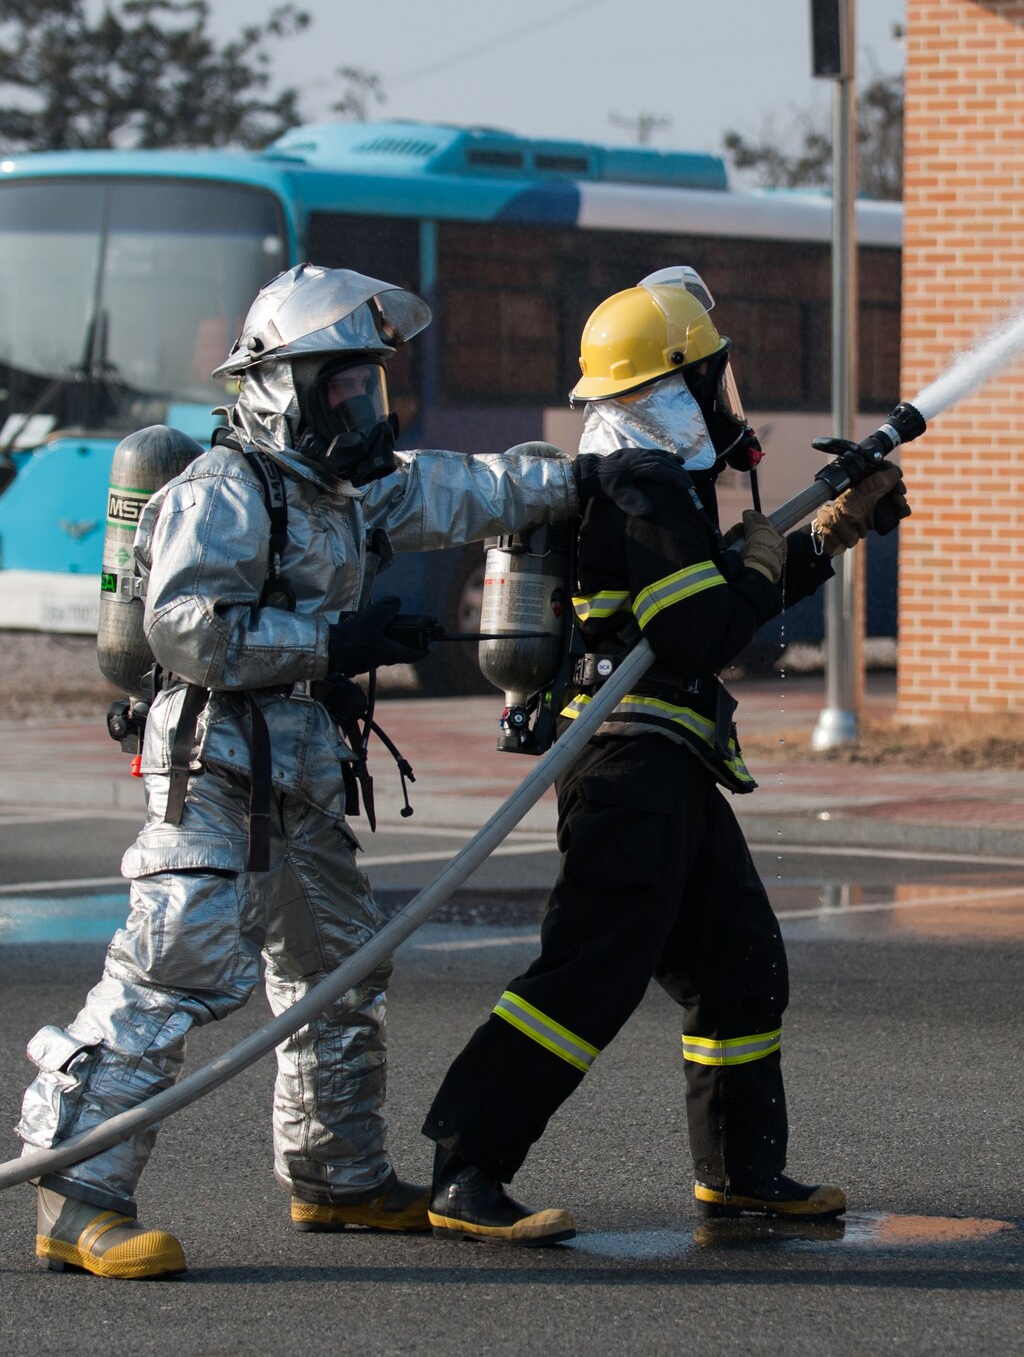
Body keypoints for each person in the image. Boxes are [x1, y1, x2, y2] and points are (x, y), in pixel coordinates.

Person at [17, 264, 690, 1279]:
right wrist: (335, 639)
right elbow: (187, 627)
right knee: (173, 971)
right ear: (280, 384)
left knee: (337, 970)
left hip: (298, 772)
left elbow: (457, 487)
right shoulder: (223, 490)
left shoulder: (341, 489)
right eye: (342, 386)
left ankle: (337, 1178)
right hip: (215, 772)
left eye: (368, 386)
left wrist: (583, 479)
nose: (361, 406)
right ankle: (79, 1196)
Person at [420, 267, 907, 1245]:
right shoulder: (640, 484)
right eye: (709, 382)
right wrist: (771, 557)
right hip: (625, 766)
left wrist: (828, 530)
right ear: (669, 388)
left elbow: (718, 598)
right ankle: (466, 1169)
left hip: (667, 760)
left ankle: (743, 1175)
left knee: (736, 965)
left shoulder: (655, 483)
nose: (723, 404)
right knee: (589, 972)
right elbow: (695, 631)